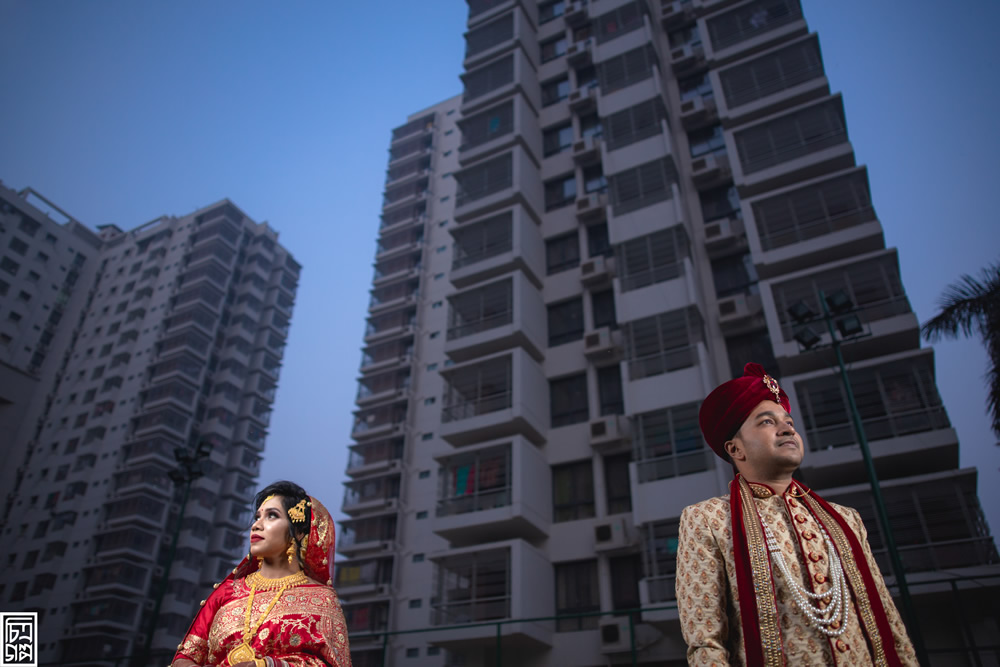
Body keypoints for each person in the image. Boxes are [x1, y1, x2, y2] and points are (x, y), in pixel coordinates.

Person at [675, 363, 917, 666]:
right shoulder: (708, 519)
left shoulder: (847, 519)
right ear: (736, 449)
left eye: (788, 422)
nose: (788, 428)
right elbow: (705, 643)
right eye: (766, 421)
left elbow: (890, 623)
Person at [171, 481, 352, 667]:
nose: (256, 525)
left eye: (272, 516)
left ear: (298, 532)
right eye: (257, 517)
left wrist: (268, 665)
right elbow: (185, 657)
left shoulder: (322, 599)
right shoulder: (226, 594)